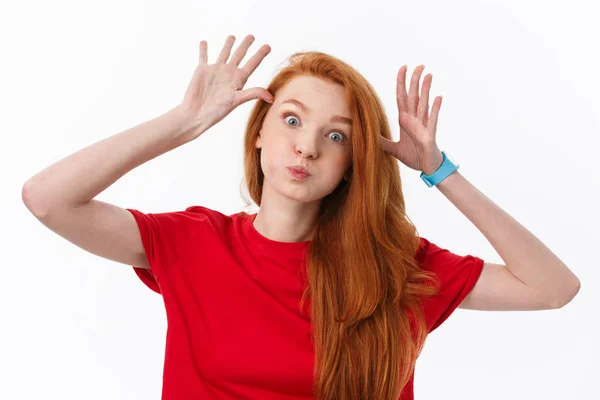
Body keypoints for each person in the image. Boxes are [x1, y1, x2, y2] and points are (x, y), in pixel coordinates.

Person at [22, 34, 581, 400]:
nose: (307, 147)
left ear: (351, 163)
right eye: (291, 120)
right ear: (258, 132)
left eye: (335, 135)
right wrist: (182, 123)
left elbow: (553, 287)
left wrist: (437, 170)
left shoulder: (394, 267)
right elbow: (48, 199)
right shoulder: (193, 243)